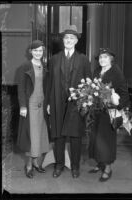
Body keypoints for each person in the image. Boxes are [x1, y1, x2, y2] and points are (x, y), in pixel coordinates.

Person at [46, 25, 91, 178]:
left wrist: (85, 102)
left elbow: (88, 83)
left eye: (72, 38)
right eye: (66, 38)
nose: (69, 40)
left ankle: (75, 167)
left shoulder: (84, 59)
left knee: (76, 137)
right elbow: (49, 82)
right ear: (63, 40)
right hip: (57, 102)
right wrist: (49, 103)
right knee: (58, 136)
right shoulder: (54, 59)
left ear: (76, 41)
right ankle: (59, 165)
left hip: (76, 105)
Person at [88, 48, 130, 182]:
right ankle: (100, 162)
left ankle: (107, 168)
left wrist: (116, 105)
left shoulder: (116, 72)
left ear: (111, 59)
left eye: (105, 57)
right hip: (96, 111)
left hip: (109, 112)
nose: (102, 60)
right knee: (96, 139)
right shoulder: (96, 71)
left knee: (106, 141)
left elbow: (124, 95)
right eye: (100, 57)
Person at [17, 40, 50, 178]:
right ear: (31, 51)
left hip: (42, 105)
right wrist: (23, 106)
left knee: (41, 135)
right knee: (31, 136)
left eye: (40, 50)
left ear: (43, 52)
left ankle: (36, 163)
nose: (38, 53)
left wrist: (48, 104)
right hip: (30, 105)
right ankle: (29, 165)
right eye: (35, 50)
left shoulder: (44, 67)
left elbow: (47, 87)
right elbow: (21, 89)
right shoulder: (24, 66)